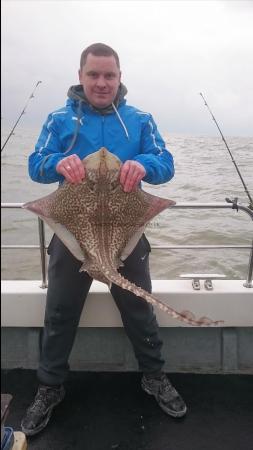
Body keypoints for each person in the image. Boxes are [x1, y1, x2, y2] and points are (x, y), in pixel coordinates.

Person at [21, 43, 187, 436]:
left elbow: (165, 164)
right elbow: (35, 165)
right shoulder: (59, 118)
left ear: (119, 76)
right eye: (93, 74)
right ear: (80, 76)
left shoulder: (140, 120)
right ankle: (50, 387)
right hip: (73, 234)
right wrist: (55, 162)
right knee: (60, 312)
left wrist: (143, 164)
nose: (101, 82)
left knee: (139, 310)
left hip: (125, 233)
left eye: (109, 75)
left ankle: (154, 376)